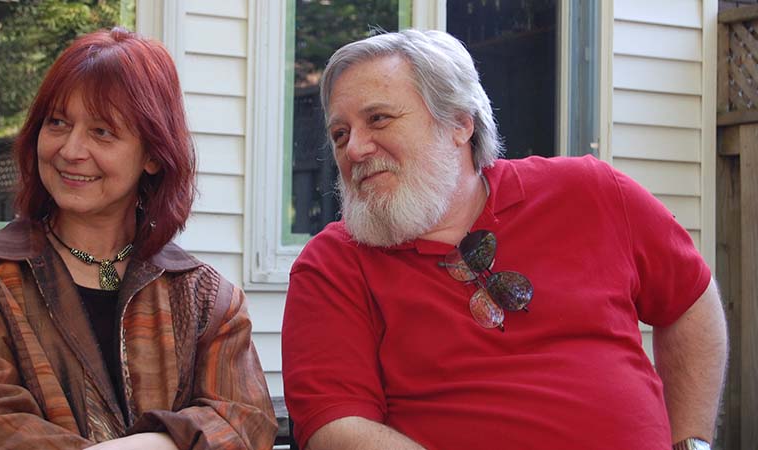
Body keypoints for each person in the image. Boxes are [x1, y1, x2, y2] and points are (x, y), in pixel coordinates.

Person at [281, 29, 728, 450]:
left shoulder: (589, 192)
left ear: (459, 122)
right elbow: (337, 428)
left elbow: (689, 299)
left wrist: (692, 443)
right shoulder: (335, 264)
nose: (354, 148)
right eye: (340, 134)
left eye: (378, 119)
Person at [0, 28, 277, 449]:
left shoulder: (206, 299)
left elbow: (245, 422)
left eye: (102, 131)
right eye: (58, 122)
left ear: (152, 154)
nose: (71, 150)